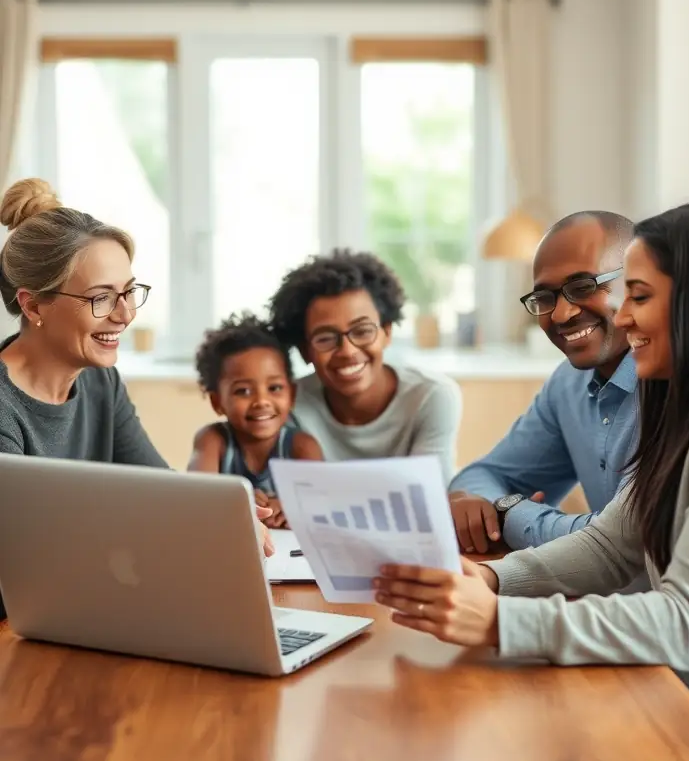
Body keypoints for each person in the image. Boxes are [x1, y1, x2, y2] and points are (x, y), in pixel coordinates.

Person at [374, 196, 689, 761]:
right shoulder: (686, 405)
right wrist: (490, 577)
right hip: (685, 717)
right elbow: (613, 544)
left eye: (639, 296)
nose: (624, 316)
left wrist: (497, 620)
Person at [0, 178, 274, 616]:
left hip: (94, 610)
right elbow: (29, 569)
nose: (126, 314)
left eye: (129, 292)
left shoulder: (99, 382)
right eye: (102, 298)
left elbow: (157, 490)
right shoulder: (4, 409)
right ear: (33, 307)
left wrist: (222, 518)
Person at [448, 210, 637, 554]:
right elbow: (478, 478)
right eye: (545, 298)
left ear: (638, 283)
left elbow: (624, 541)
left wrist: (512, 515)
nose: (561, 314)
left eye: (583, 287)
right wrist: (483, 503)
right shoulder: (568, 385)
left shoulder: (678, 385)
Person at [269, 249, 462, 483]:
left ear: (386, 333)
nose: (347, 351)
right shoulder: (289, 403)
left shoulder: (431, 396)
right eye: (325, 338)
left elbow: (430, 493)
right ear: (304, 350)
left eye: (362, 331)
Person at [189, 311, 323, 528]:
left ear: (292, 395)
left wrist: (291, 507)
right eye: (243, 391)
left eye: (274, 388)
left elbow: (321, 503)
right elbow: (196, 494)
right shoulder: (213, 440)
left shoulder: (302, 446)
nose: (261, 401)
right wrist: (236, 502)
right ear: (217, 402)